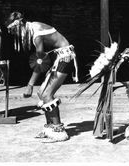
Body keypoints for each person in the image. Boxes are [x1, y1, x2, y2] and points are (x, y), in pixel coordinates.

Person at [6, 12, 78, 142]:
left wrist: (30, 85)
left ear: (20, 22)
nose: (12, 33)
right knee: (41, 93)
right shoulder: (33, 28)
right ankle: (50, 127)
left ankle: (58, 130)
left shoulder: (36, 35)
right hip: (60, 57)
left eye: (13, 29)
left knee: (47, 94)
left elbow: (41, 61)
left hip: (65, 57)